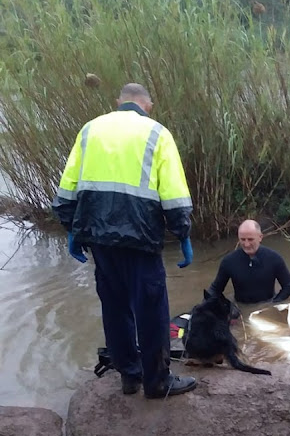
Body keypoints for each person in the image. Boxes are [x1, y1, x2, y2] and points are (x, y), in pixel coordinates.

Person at [52, 82, 197, 399]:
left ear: (118, 102)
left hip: (100, 241)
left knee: (114, 308)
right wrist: (183, 235)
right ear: (149, 105)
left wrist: (73, 231)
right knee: (152, 309)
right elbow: (173, 196)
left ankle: (129, 377)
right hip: (140, 239)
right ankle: (157, 382)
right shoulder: (157, 133)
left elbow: (66, 192)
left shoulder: (90, 130)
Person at [208, 219, 290, 304]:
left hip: (267, 304)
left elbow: (288, 286)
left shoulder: (274, 258)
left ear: (260, 237)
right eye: (242, 239)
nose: (246, 244)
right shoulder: (229, 261)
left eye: (250, 239)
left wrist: (274, 303)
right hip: (241, 307)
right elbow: (215, 289)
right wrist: (205, 305)